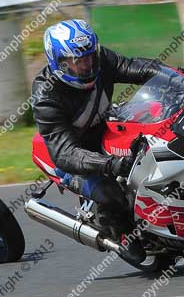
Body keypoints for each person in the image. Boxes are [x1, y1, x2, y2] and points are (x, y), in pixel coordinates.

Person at [31, 19, 163, 265]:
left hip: (103, 126)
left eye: (89, 58)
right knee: (111, 194)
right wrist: (109, 164)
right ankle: (117, 230)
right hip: (71, 154)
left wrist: (182, 80)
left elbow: (135, 67)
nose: (86, 66)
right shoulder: (46, 96)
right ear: (58, 62)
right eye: (77, 62)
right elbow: (66, 153)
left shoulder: (99, 60)